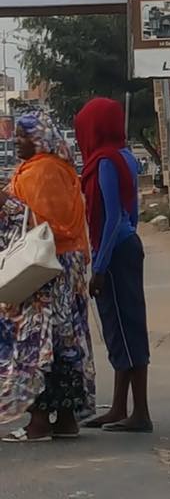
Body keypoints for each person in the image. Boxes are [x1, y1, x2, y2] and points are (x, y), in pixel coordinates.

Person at [0, 110, 95, 442]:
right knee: (65, 342)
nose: (16, 142)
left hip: (44, 272)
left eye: (23, 136)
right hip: (64, 269)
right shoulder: (58, 168)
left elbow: (39, 224)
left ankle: (38, 423)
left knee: (36, 344)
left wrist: (5, 204)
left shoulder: (42, 172)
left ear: (38, 139)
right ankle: (65, 420)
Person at [74, 97, 152, 433]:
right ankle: (120, 407)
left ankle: (140, 413)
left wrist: (100, 266)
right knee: (124, 326)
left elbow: (110, 218)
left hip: (115, 252)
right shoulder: (125, 157)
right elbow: (131, 213)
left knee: (124, 327)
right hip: (129, 244)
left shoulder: (104, 162)